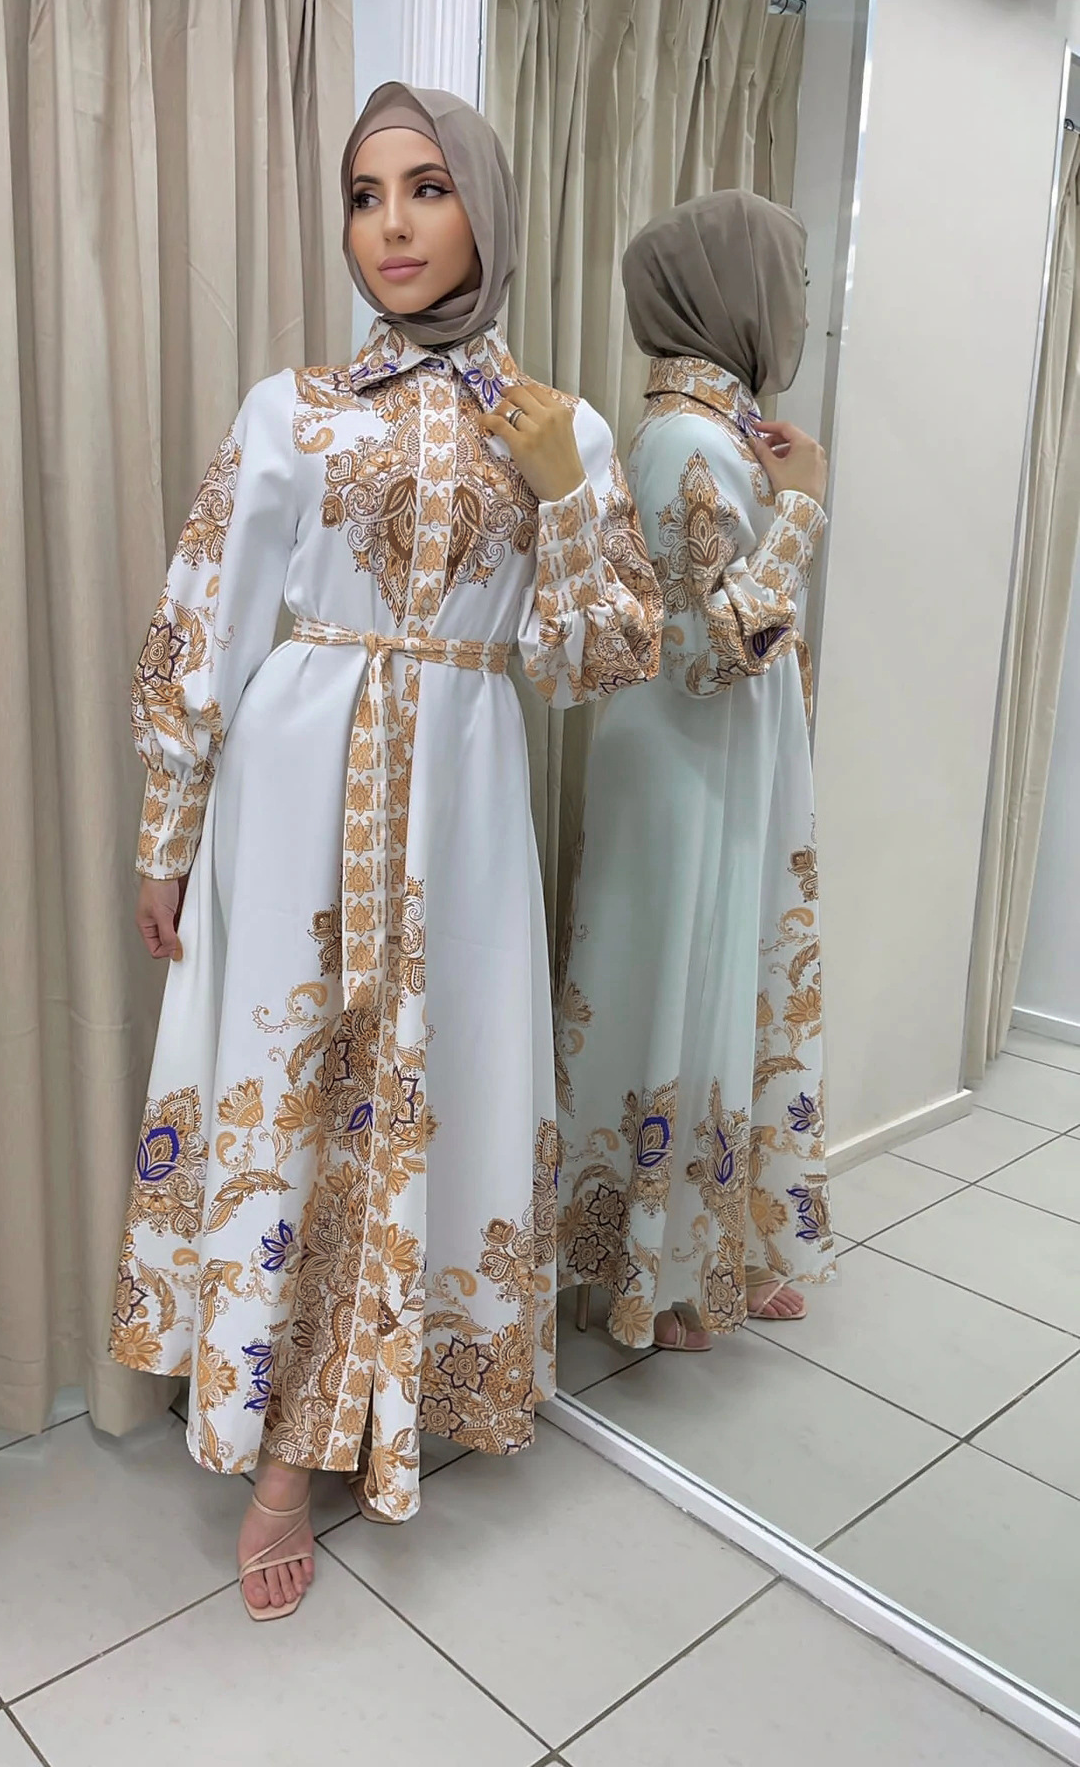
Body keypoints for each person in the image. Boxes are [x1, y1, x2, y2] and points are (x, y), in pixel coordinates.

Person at [109, 81, 661, 1620]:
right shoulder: (289, 410)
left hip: (462, 807)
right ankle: (281, 1456)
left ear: (484, 204)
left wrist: (567, 492)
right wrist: (166, 834)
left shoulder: (561, 427)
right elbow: (200, 624)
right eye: (365, 195)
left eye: (426, 187)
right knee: (292, 1096)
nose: (393, 225)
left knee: (433, 1090)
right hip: (289, 795)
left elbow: (601, 657)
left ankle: (384, 1405)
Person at [557, 189, 836, 1358]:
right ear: (733, 295)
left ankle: (696, 1255)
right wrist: (804, 508)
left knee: (711, 986)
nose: (799, 306)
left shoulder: (721, 431)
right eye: (790, 281)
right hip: (683, 760)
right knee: (675, 984)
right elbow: (714, 651)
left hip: (712, 757)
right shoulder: (683, 437)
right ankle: (650, 1272)